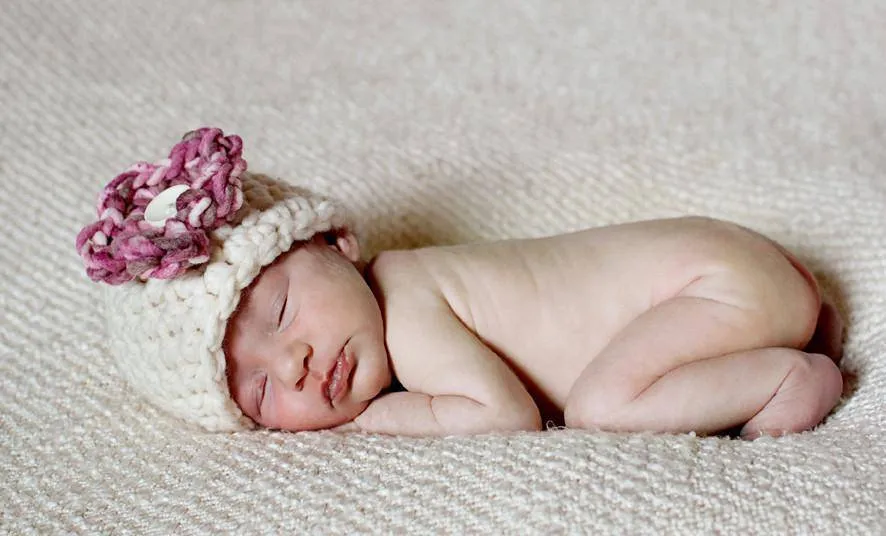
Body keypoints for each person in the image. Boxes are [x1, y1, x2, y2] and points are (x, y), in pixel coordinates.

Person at [77, 128, 845, 439]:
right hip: (736, 273)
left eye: (282, 311)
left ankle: (790, 376)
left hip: (712, 283)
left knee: (602, 408)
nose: (296, 365)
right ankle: (792, 330)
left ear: (338, 244)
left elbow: (502, 415)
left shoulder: (407, 300)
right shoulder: (405, 294)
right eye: (260, 392)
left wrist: (374, 423)